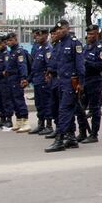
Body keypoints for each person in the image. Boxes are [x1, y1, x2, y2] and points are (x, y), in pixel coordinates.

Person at [44, 20, 86, 152]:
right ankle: (71, 137)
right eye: (57, 29)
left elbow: (80, 65)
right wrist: (50, 72)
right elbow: (56, 63)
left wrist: (81, 83)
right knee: (62, 110)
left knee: (64, 111)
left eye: (61, 29)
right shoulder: (59, 44)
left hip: (70, 83)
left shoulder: (74, 43)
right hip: (60, 82)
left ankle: (60, 139)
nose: (58, 31)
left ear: (67, 29)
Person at [75, 25, 102, 143]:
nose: (89, 36)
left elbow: (101, 66)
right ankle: (82, 132)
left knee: (94, 109)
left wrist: (87, 63)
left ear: (97, 35)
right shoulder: (85, 48)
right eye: (88, 34)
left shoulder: (100, 48)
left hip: (94, 81)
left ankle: (94, 134)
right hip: (84, 81)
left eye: (92, 34)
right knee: (80, 108)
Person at [4, 33, 30, 132]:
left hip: (16, 78)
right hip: (10, 78)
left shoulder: (19, 51)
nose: (8, 42)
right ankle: (19, 120)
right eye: (7, 41)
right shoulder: (11, 52)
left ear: (15, 40)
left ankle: (25, 121)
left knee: (19, 100)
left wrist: (23, 78)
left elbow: (22, 65)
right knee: (13, 100)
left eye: (10, 40)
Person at [27, 29, 52, 135]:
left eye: (40, 36)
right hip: (37, 81)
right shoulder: (39, 48)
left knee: (46, 103)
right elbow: (34, 67)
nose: (37, 37)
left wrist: (47, 77)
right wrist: (28, 79)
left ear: (46, 36)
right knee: (39, 104)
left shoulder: (48, 49)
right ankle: (40, 124)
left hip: (43, 81)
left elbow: (49, 66)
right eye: (37, 36)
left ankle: (49, 125)